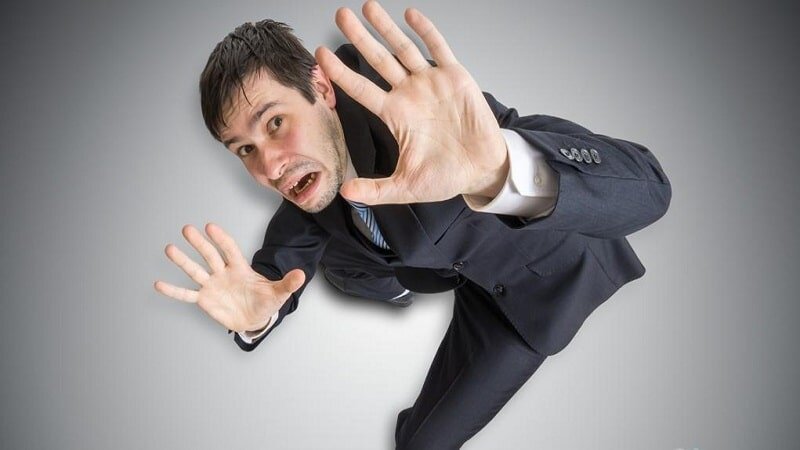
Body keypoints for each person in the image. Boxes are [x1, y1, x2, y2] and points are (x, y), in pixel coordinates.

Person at [154, 1, 671, 448]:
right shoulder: (311, 181)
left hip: (548, 280)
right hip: (447, 275)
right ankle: (397, 287)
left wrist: (499, 170)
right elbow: (279, 261)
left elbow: (649, 187)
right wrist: (258, 313)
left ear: (321, 87)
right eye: (245, 150)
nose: (269, 166)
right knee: (345, 271)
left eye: (275, 123)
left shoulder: (417, 112)